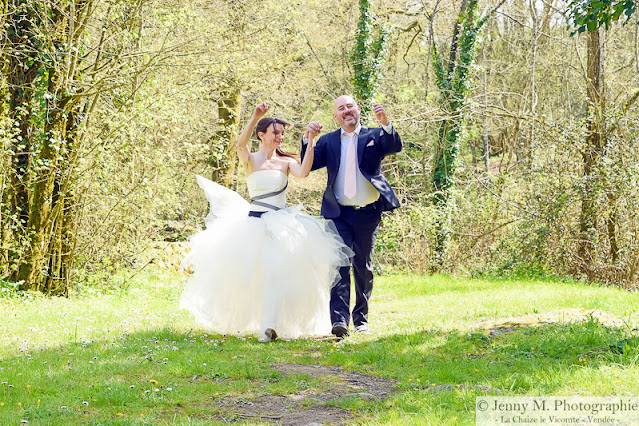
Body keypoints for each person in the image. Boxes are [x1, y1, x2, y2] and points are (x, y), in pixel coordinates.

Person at [180, 101, 352, 342]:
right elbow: (240, 144)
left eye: (282, 133)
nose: (280, 137)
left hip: (281, 226)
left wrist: (311, 141)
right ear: (262, 135)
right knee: (251, 277)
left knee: (277, 274)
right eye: (275, 133)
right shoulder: (250, 159)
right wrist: (255, 116)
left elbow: (303, 172)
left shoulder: (286, 162)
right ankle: (260, 323)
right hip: (253, 225)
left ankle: (269, 327)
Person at [302, 95, 402, 337]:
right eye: (341, 108)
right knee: (338, 265)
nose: (346, 111)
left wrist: (385, 122)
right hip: (338, 214)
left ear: (357, 110)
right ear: (335, 116)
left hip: (368, 213)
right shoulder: (328, 142)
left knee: (363, 267)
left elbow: (394, 146)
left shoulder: (373, 136)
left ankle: (361, 319)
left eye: (350, 106)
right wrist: (308, 139)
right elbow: (310, 164)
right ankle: (339, 321)